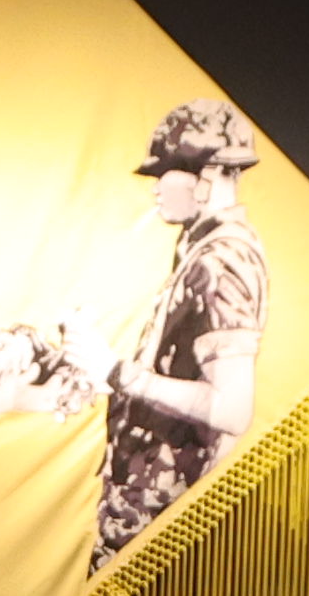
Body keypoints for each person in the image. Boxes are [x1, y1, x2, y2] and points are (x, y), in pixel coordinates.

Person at [94, 100, 269, 562]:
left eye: (165, 171)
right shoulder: (203, 250)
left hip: (164, 528)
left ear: (206, 175)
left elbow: (232, 409)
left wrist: (118, 373)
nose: (155, 186)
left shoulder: (221, 262)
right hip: (147, 514)